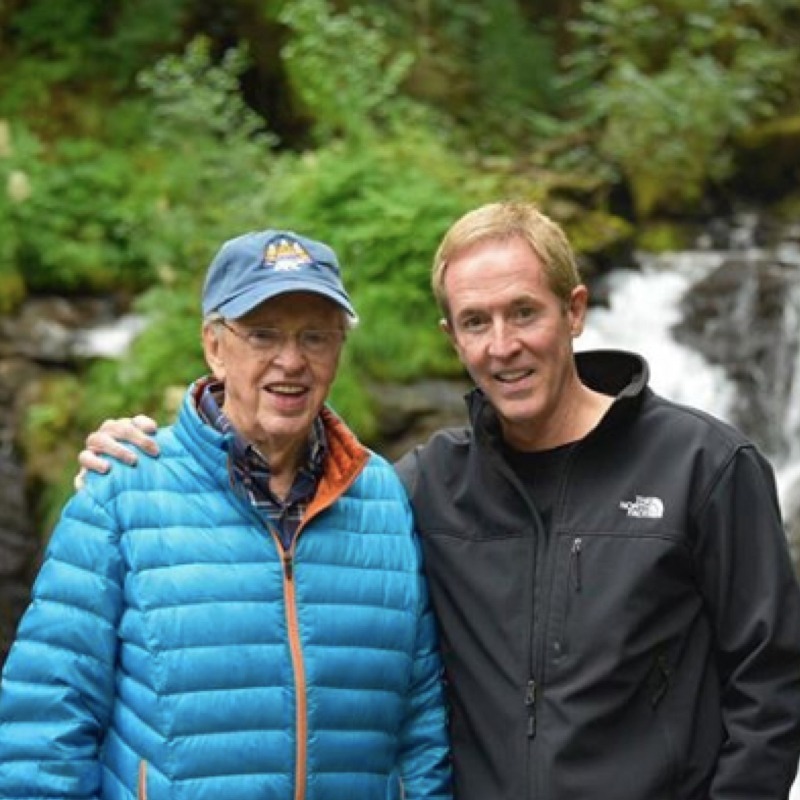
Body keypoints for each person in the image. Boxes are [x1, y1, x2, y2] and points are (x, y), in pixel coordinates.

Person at [74, 202, 800, 799]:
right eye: (476, 322)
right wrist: (146, 460)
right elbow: (288, 505)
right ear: (452, 337)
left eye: (525, 313)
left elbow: (769, 686)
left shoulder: (705, 466)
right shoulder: (421, 486)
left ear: (574, 311)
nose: (503, 345)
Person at [0, 229, 452, 800]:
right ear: (215, 345)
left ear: (339, 347)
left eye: (315, 335)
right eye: (263, 334)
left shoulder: (380, 496)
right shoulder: (124, 491)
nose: (291, 361)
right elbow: (45, 726)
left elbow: (421, 726)